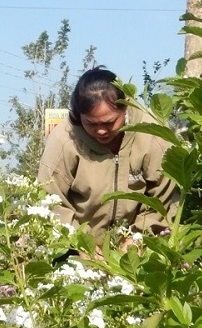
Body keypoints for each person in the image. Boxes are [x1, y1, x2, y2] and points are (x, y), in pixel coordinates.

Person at [37, 66, 180, 242]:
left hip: (138, 244)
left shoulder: (151, 134)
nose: (101, 131)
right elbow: (50, 200)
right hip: (78, 247)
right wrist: (81, 244)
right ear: (78, 115)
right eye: (91, 124)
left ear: (125, 108)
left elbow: (163, 198)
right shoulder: (63, 140)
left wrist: (137, 239)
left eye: (109, 122)